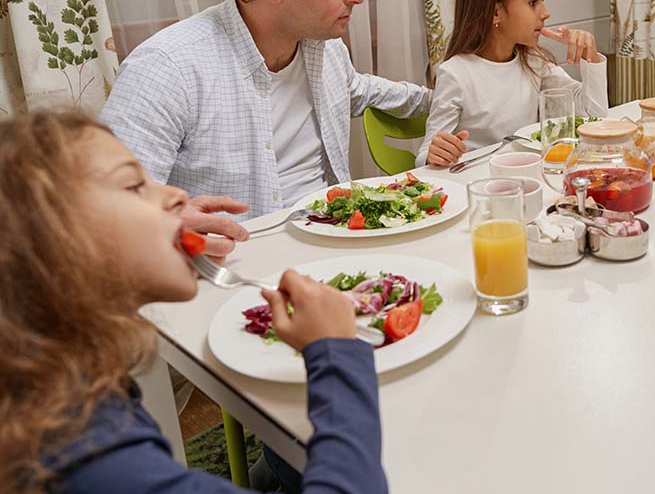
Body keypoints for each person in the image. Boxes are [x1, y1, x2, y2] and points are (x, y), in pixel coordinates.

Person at [0, 110, 387, 494]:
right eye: (135, 186)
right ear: (53, 251)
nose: (177, 194)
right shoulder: (94, 464)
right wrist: (336, 350)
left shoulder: (54, 393)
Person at [101, 0, 431, 221]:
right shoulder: (166, 68)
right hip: (237, 264)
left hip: (333, 242)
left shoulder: (325, 49)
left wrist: (457, 94)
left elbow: (362, 90)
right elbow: (104, 207)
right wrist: (167, 220)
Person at [417, 0, 608, 167]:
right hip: (481, 185)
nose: (545, 13)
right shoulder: (456, 74)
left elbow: (595, 115)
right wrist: (435, 153)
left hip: (530, 177)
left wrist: (590, 57)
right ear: (495, 13)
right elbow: (423, 159)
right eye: (533, 2)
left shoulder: (535, 63)